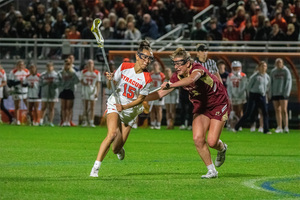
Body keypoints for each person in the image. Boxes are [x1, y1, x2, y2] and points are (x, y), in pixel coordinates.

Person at [146, 48, 229, 179]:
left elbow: (191, 80)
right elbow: (160, 93)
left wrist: (171, 85)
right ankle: (212, 171)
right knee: (198, 139)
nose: (176, 67)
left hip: (218, 102)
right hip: (201, 106)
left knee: (212, 142)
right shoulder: (176, 76)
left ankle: (222, 148)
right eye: (174, 63)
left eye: (179, 63)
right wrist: (141, 98)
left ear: (188, 63)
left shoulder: (197, 69)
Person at [90, 40, 154, 177]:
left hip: (130, 112)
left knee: (115, 149)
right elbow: (109, 86)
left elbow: (140, 100)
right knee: (112, 134)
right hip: (115, 103)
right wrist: (110, 79)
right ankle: (95, 168)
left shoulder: (147, 78)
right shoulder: (125, 66)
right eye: (145, 57)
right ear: (137, 56)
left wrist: (124, 106)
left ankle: (120, 149)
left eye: (150, 59)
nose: (147, 61)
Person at [234, 61, 271, 134]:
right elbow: (249, 86)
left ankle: (266, 129)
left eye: (265, 66)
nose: (264, 68)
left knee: (265, 112)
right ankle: (237, 127)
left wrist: (265, 93)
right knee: (248, 112)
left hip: (262, 95)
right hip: (254, 95)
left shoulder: (267, 77)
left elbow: (268, 86)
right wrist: (250, 95)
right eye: (262, 66)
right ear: (259, 67)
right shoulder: (255, 76)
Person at [270, 58, 292, 133]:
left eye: (280, 62)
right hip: (275, 93)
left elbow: (288, 82)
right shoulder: (273, 71)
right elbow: (271, 82)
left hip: (283, 93)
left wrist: (286, 92)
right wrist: (271, 93)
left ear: (282, 63)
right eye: (277, 62)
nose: (279, 64)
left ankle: (286, 126)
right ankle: (279, 126)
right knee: (277, 110)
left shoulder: (286, 71)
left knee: (284, 110)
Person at [226, 61, 247, 131]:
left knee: (240, 111)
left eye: (237, 68)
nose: (236, 69)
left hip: (240, 96)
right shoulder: (230, 76)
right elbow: (228, 87)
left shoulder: (243, 75)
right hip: (233, 95)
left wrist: (239, 94)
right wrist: (230, 96)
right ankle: (233, 125)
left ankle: (239, 125)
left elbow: (244, 86)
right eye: (234, 68)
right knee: (233, 111)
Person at [58, 57, 79, 126]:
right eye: (66, 64)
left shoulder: (73, 73)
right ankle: (64, 121)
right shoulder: (61, 72)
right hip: (63, 90)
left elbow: (77, 81)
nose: (67, 65)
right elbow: (58, 81)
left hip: (70, 90)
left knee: (69, 107)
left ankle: (68, 121)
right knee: (63, 107)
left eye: (68, 64)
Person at [8, 60, 29, 125]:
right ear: (16, 65)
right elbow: (10, 83)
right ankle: (17, 120)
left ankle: (30, 120)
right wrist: (19, 82)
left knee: (28, 105)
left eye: (22, 65)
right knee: (17, 106)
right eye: (19, 65)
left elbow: (28, 81)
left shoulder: (26, 71)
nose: (20, 66)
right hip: (16, 91)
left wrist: (25, 84)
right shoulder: (13, 72)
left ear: (24, 65)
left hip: (25, 91)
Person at [80, 59, 101, 128]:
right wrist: (84, 83)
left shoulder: (97, 72)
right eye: (88, 63)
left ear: (93, 64)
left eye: (91, 63)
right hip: (86, 89)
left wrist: (97, 92)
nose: (90, 65)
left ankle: (91, 121)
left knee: (92, 107)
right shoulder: (83, 72)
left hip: (93, 90)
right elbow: (81, 80)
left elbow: (98, 83)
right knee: (85, 106)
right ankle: (85, 121)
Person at [39, 62, 59, 126]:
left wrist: (53, 82)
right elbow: (40, 83)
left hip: (53, 93)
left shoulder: (56, 75)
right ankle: (41, 121)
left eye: (50, 66)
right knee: (43, 107)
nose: (49, 68)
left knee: (51, 108)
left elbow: (58, 84)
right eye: (48, 66)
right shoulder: (43, 75)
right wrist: (46, 82)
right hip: (45, 92)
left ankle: (50, 122)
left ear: (53, 67)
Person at [149, 61, 165, 129]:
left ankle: (158, 124)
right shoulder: (150, 74)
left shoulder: (161, 75)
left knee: (158, 109)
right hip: (152, 93)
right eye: (154, 65)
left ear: (159, 66)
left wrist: (162, 94)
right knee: (152, 109)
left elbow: (164, 85)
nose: (155, 66)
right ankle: (152, 123)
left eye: (156, 65)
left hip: (159, 93)